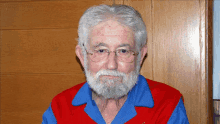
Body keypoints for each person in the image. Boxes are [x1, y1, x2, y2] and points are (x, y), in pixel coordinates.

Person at [42, 4, 189, 124]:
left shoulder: (168, 104)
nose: (112, 65)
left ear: (141, 56)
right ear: (82, 56)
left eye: (123, 51)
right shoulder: (60, 108)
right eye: (100, 50)